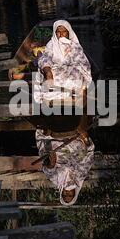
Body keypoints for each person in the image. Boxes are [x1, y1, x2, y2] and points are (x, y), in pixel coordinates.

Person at [34, 20, 95, 206]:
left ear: (69, 33)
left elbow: (83, 64)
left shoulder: (75, 47)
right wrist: (48, 70)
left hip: (61, 143)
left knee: (75, 75)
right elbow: (88, 155)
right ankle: (56, 96)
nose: (61, 35)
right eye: (58, 32)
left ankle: (63, 106)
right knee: (50, 75)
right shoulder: (51, 46)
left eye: (64, 32)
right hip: (74, 140)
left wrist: (51, 162)